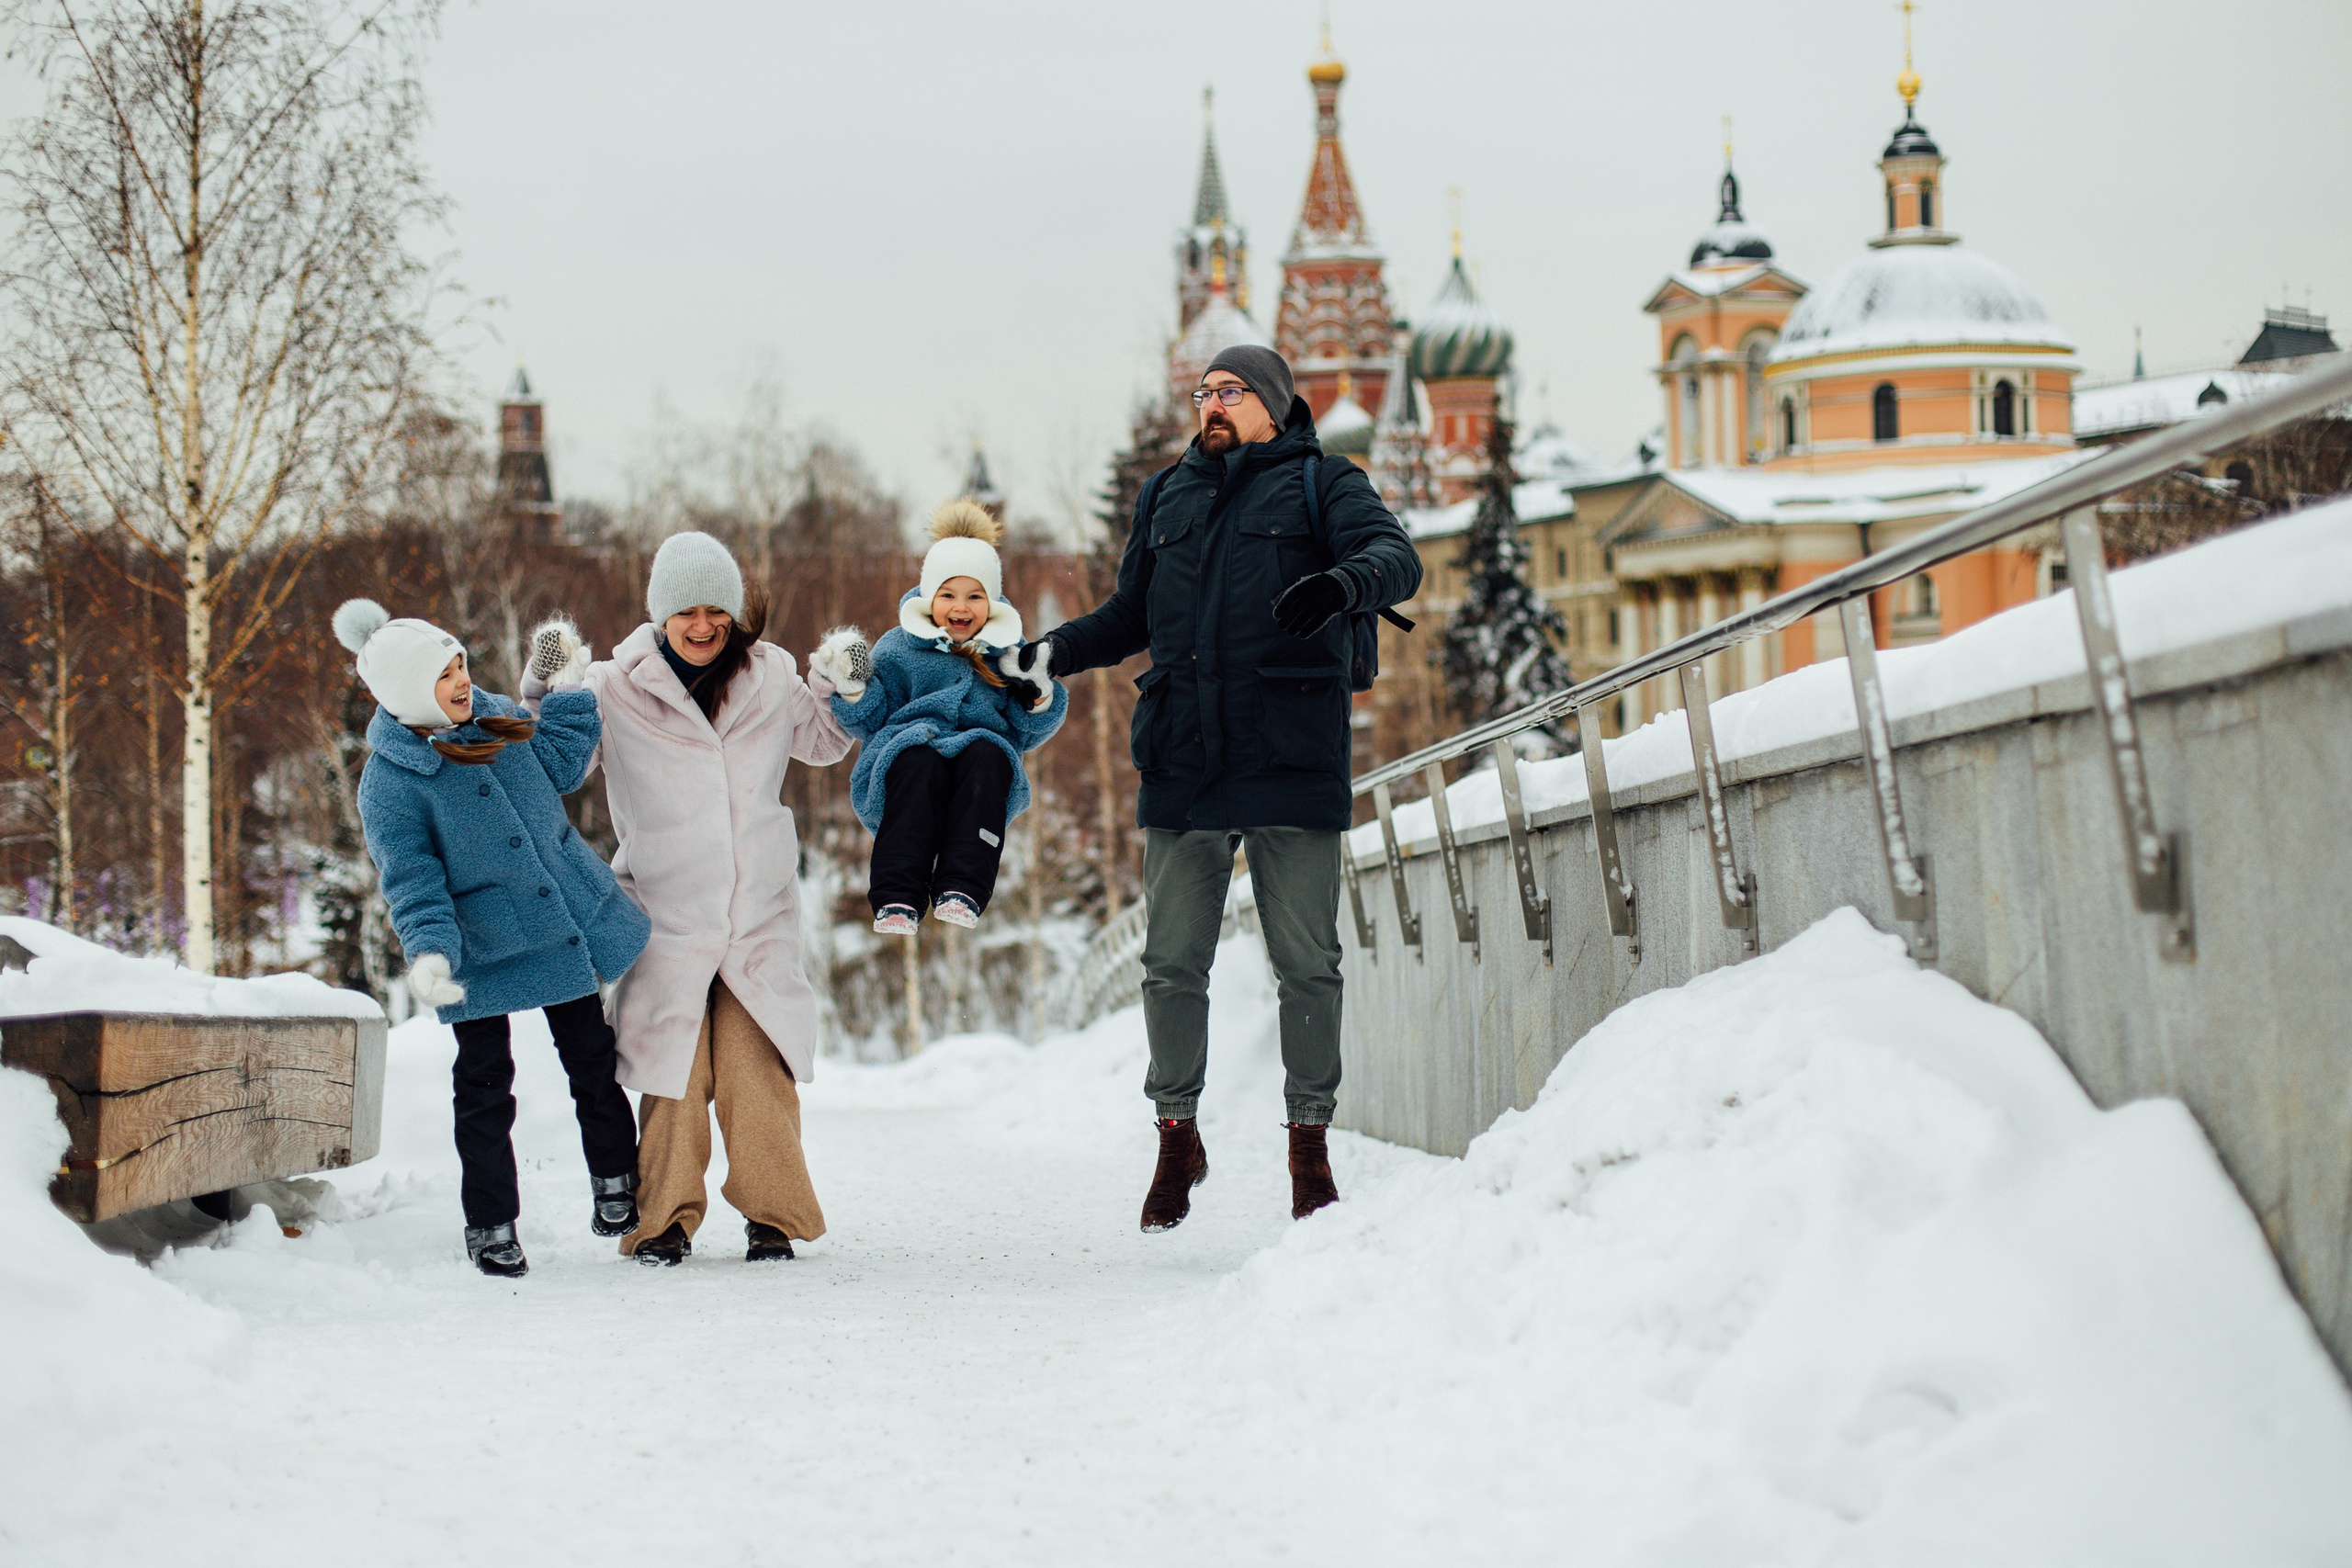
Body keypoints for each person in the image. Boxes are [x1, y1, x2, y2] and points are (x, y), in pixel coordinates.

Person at [1001, 344, 1421, 1231]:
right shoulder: (1167, 495)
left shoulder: (1325, 482)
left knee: (1308, 964)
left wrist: (1343, 583)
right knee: (1170, 963)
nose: (1213, 405)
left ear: (1272, 404)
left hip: (1290, 753)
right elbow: (1129, 616)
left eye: (1231, 392)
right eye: (1204, 393)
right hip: (1185, 754)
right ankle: (1175, 1135)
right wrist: (1053, 652)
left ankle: (1309, 1145)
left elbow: (1395, 557)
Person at [526, 532, 854, 1269]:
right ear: (659, 615)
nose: (703, 626)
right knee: (673, 1071)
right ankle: (662, 1221)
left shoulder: (770, 677)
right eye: (686, 612)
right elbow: (562, 763)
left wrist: (839, 682)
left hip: (754, 914)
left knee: (754, 1062)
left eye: (717, 611)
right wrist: (551, 687)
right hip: (663, 917)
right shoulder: (614, 685)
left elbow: (827, 740)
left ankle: (774, 1216)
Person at [337, 597, 650, 1279]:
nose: (460, 682)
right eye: (442, 676)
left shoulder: (496, 715)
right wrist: (430, 953)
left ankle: (616, 1184)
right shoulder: (388, 784)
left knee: (592, 1059)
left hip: (558, 914)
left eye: (460, 665)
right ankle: (491, 1221)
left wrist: (565, 689)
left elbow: (563, 768)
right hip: (481, 943)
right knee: (484, 1088)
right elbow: (413, 881)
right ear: (402, 694)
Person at [808, 501, 1068, 935]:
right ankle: (897, 894)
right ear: (930, 598)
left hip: (978, 774)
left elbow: (1026, 730)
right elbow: (871, 719)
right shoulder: (897, 648)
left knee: (988, 755)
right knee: (918, 761)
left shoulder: (1007, 653)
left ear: (991, 602)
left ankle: (963, 887)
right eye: (948, 594)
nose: (960, 607)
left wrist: (1039, 695)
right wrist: (854, 688)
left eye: (974, 596)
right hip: (907, 759)